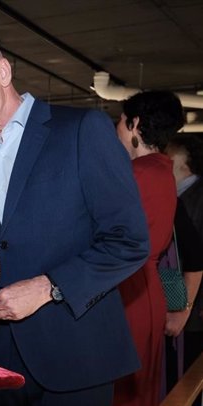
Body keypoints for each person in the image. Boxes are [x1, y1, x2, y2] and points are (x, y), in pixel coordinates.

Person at [0, 33, 149, 405]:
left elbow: (128, 240)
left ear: (3, 72)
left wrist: (49, 287)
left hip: (77, 356)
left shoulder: (82, 130)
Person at [111, 90, 179, 406]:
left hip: (127, 290)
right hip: (148, 289)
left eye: (121, 122)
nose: (117, 130)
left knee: (122, 388)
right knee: (142, 386)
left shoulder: (135, 174)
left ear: (135, 124)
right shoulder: (163, 170)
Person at [165, 133, 203, 392]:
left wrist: (188, 306)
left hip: (193, 311)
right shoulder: (177, 196)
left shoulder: (194, 198)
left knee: (187, 382)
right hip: (185, 307)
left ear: (183, 161)